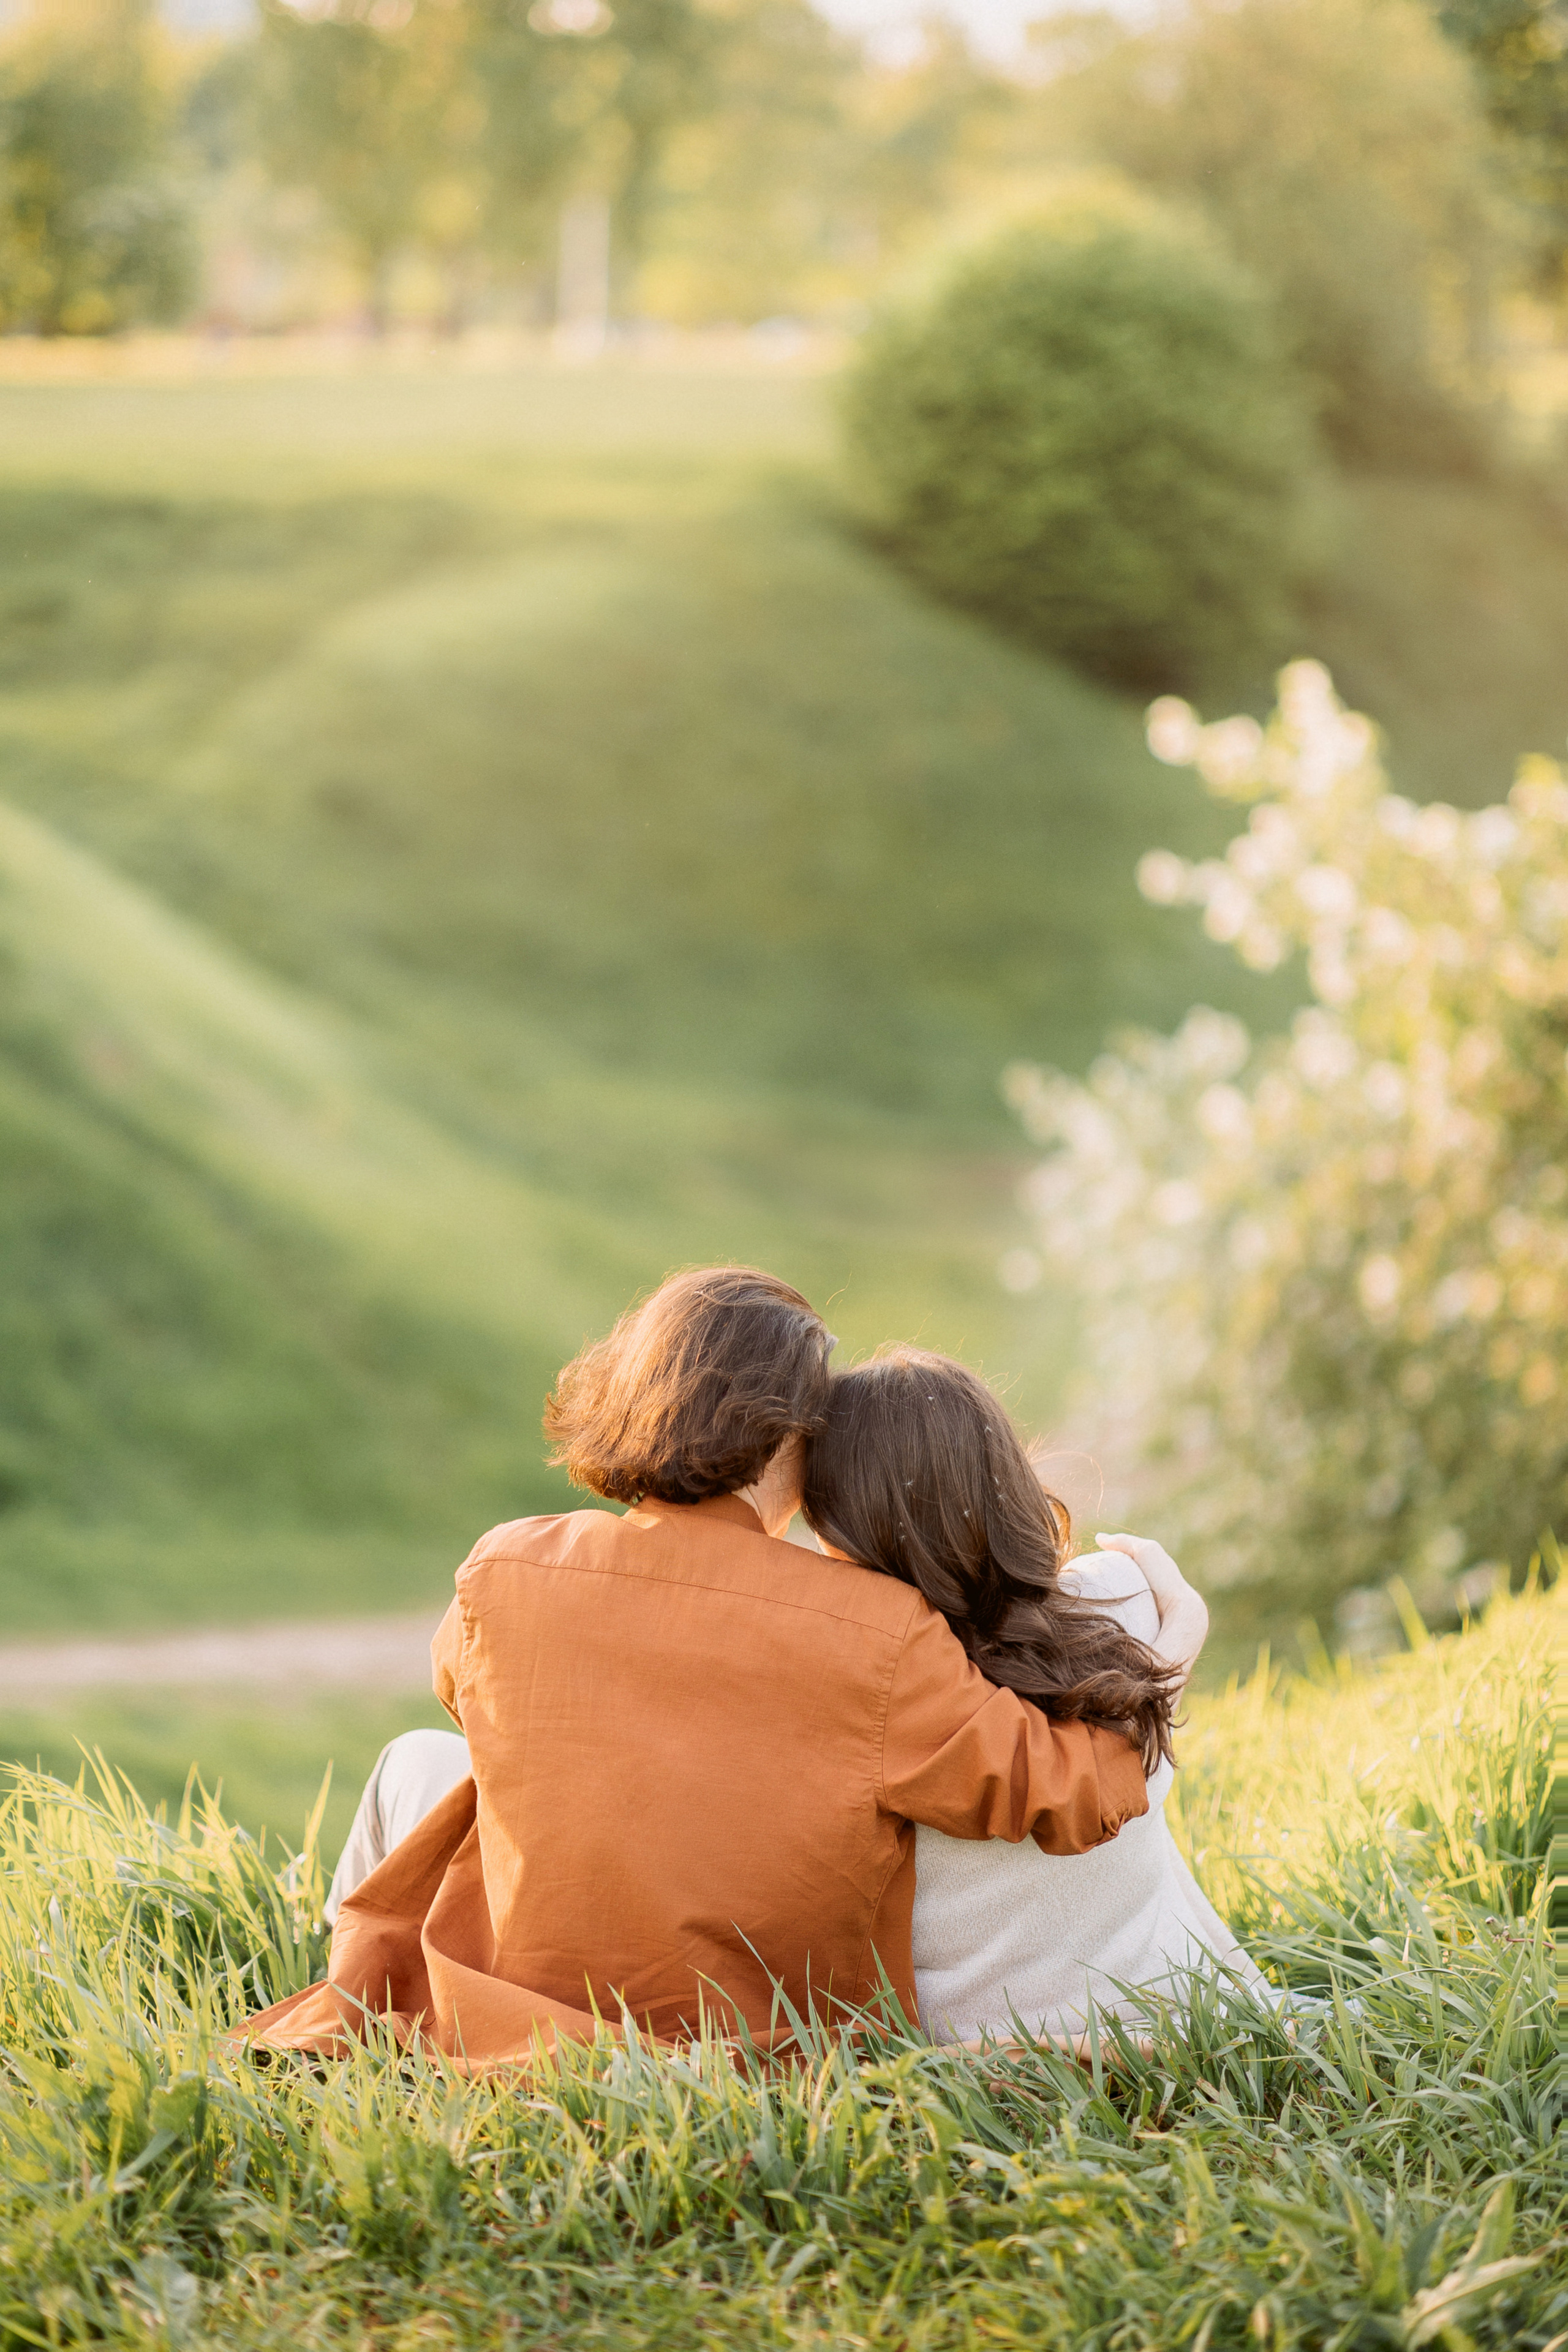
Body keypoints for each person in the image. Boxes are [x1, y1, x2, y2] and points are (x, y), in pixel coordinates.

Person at [238, 1267, 1155, 2068]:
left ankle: (342, 1986)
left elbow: (473, 1703)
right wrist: (1145, 1650)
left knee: (431, 1773)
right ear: (784, 1436)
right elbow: (1062, 1793)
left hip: (498, 2025)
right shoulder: (874, 1628)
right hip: (748, 2059)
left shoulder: (504, 1568)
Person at [800, 1346, 1269, 2046]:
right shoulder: (1122, 1593)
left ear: (841, 1527)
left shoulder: (858, 1678)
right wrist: (1182, 1636)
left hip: (974, 2055)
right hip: (1175, 2012)